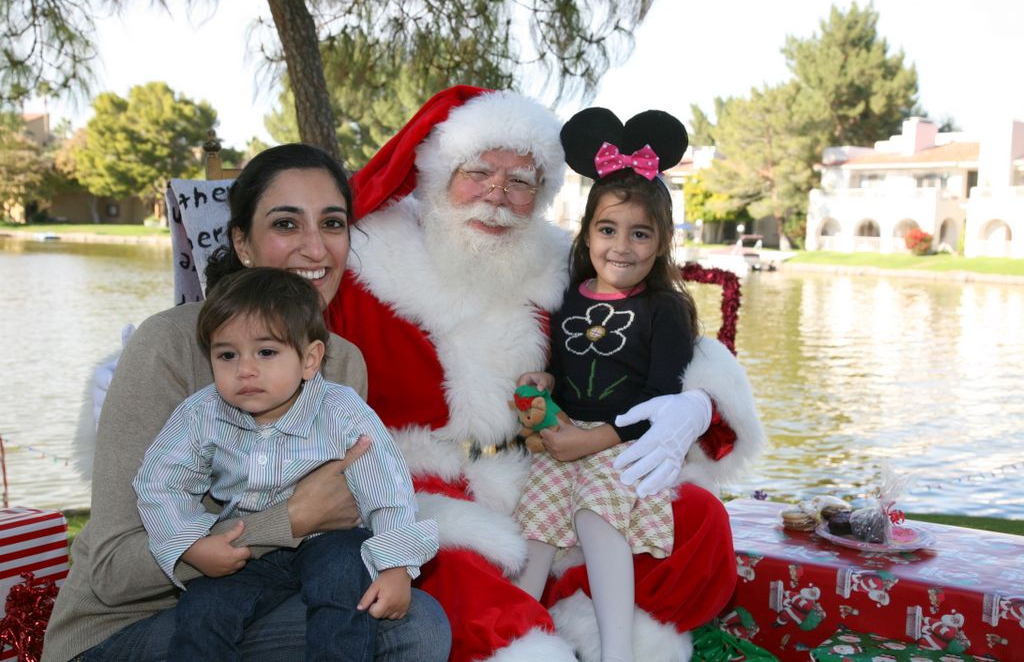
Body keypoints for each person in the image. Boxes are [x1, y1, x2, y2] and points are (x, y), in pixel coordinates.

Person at [327, 86, 765, 662]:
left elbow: (641, 339)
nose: (497, 197)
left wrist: (699, 403)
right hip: (423, 481)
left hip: (550, 466)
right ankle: (530, 639)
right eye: (478, 172)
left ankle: (583, 619)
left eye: (520, 182)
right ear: (437, 173)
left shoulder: (558, 264)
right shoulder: (364, 262)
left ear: (542, 196)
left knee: (698, 522)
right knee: (450, 564)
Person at [42, 144, 452, 662]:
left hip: (267, 598)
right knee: (407, 630)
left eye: (332, 223)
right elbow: (110, 570)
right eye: (286, 224)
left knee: (396, 614)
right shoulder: (169, 346)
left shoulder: (341, 364)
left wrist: (382, 553)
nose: (315, 248)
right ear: (243, 242)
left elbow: (356, 512)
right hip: (125, 628)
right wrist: (289, 520)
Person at [133, 266, 439, 660]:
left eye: (266, 352)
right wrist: (189, 545)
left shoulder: (342, 412)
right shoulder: (203, 413)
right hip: (253, 551)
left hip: (330, 540)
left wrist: (397, 566)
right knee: (203, 609)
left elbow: (388, 489)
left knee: (346, 589)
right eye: (227, 354)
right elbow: (161, 482)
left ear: (310, 360)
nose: (245, 369)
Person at [512, 107, 699, 662]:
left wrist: (594, 441)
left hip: (624, 446)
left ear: (661, 242)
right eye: (608, 229)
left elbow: (662, 400)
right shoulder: (570, 294)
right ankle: (519, 634)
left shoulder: (665, 310)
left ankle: (617, 650)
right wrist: (543, 381)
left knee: (597, 515)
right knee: (535, 523)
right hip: (560, 439)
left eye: (640, 234)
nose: (622, 246)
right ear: (588, 232)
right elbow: (561, 367)